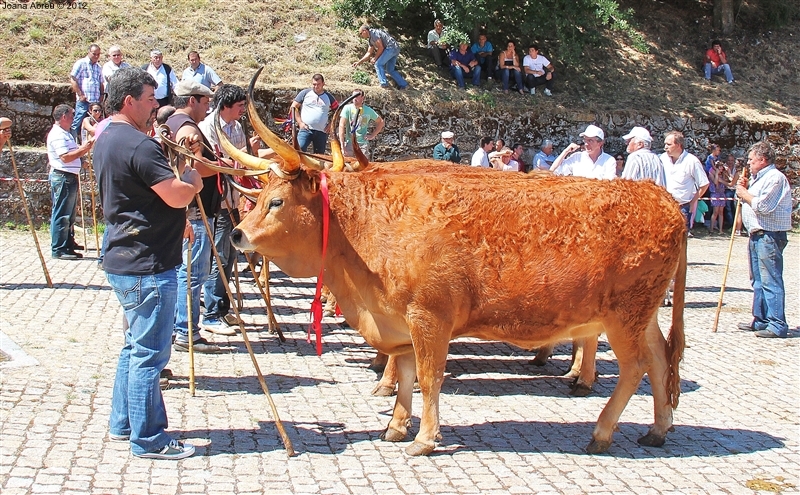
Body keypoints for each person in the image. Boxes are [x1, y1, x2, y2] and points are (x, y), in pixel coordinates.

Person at [94, 67, 201, 459]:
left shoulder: (106, 136)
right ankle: (149, 438)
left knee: (133, 347)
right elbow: (175, 196)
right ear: (130, 101)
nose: (155, 107)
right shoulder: (139, 146)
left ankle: (123, 423)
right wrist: (192, 179)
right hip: (148, 264)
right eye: (150, 99)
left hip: (125, 256)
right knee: (150, 355)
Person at [166, 80, 223, 354]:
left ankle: (183, 329)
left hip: (186, 210)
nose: (208, 106)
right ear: (193, 100)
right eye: (205, 101)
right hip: (195, 212)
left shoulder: (171, 123)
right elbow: (195, 167)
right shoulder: (189, 129)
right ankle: (186, 331)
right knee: (192, 275)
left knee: (186, 273)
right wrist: (223, 166)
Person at [198, 84, 258, 336]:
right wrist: (246, 154)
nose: (243, 110)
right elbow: (218, 163)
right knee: (220, 257)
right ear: (225, 107)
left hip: (234, 198)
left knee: (231, 256)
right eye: (239, 106)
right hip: (218, 200)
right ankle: (211, 314)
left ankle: (221, 307)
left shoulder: (236, 127)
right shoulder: (207, 129)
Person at [735, 141, 791, 338]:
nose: (748, 163)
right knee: (757, 280)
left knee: (770, 280)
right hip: (756, 234)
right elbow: (745, 200)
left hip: (769, 234)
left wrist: (745, 194)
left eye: (751, 160)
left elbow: (764, 206)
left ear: (763, 159)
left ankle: (777, 324)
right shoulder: (758, 178)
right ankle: (761, 319)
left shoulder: (775, 178)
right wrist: (742, 191)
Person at [46, 104, 94, 260]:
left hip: (68, 176)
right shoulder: (58, 135)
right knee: (62, 213)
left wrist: (82, 161)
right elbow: (65, 157)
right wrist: (84, 149)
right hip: (63, 176)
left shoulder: (65, 134)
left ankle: (67, 242)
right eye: (72, 115)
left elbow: (71, 155)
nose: (74, 118)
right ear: (64, 117)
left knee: (69, 213)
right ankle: (59, 248)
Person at [659, 130, 709, 235]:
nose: (665, 147)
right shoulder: (661, 158)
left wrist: (693, 202)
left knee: (680, 243)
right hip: (663, 207)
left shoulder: (691, 161)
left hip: (682, 208)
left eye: (669, 144)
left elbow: (704, 184)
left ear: (678, 145)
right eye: (665, 144)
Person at [290, 74, 338, 154]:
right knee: (298, 151)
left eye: (318, 84)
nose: (316, 86)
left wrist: (331, 124)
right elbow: (294, 107)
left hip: (321, 132)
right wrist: (300, 123)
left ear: (323, 83)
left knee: (319, 156)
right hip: (305, 129)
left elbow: (337, 111)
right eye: (314, 84)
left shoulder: (329, 97)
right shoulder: (305, 93)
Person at [353, 24, 409, 90]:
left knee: (378, 64)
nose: (361, 35)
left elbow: (381, 47)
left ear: (365, 31)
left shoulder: (373, 34)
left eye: (361, 33)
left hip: (391, 48)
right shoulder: (371, 39)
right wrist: (359, 62)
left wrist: (375, 58)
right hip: (395, 48)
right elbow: (368, 53)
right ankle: (404, 85)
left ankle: (383, 84)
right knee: (390, 70)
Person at [550, 124, 616, 179]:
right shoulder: (576, 157)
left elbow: (608, 185)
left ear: (600, 143)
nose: (586, 144)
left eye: (590, 140)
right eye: (585, 140)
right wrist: (566, 151)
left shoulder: (609, 161)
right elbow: (553, 171)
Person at [69, 44, 104, 140]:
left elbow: (101, 82)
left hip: (95, 102)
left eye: (98, 54)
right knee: (77, 122)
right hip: (84, 100)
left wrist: (101, 95)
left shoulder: (98, 67)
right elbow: (73, 79)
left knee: (95, 123)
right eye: (94, 54)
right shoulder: (81, 63)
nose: (96, 56)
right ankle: (73, 142)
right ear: (89, 52)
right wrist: (80, 95)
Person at [338, 89, 385, 157]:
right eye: (353, 96)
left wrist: (372, 135)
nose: (354, 98)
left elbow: (381, 122)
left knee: (363, 166)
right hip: (349, 143)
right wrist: (342, 147)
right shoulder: (347, 108)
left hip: (363, 145)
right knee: (347, 165)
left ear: (363, 98)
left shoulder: (368, 110)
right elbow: (341, 125)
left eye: (357, 96)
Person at [707, 161, 726, 234]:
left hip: (722, 193)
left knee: (721, 212)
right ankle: (711, 229)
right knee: (715, 212)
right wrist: (717, 174)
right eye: (719, 169)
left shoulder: (723, 173)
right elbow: (715, 182)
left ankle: (721, 230)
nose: (721, 171)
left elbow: (725, 181)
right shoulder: (711, 173)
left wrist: (723, 173)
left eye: (722, 169)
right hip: (715, 193)